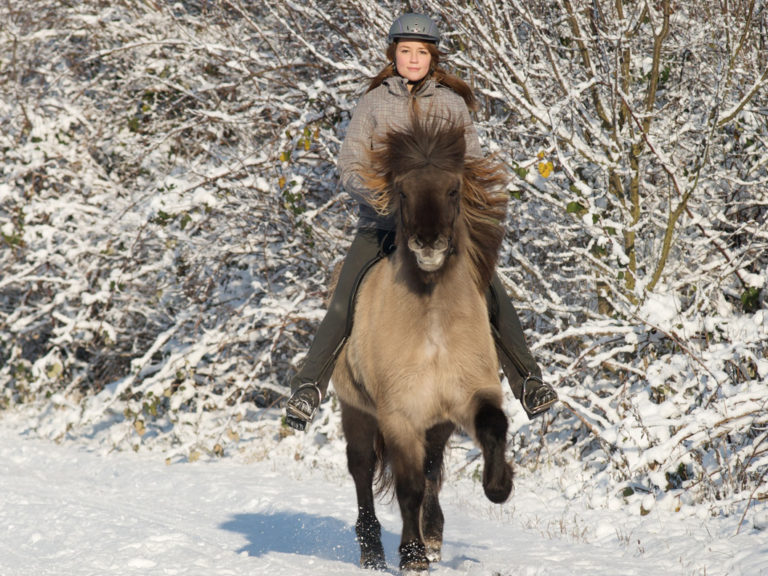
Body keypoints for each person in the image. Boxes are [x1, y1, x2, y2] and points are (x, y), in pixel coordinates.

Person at [284, 13, 557, 431]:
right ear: (393, 54)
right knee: (346, 296)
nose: (413, 59)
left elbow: (471, 162)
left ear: (433, 57)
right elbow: (350, 165)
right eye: (406, 51)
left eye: (422, 52)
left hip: (442, 228)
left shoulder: (450, 104)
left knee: (491, 290)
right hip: (383, 224)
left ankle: (529, 381)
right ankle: (308, 387)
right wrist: (384, 199)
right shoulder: (373, 103)